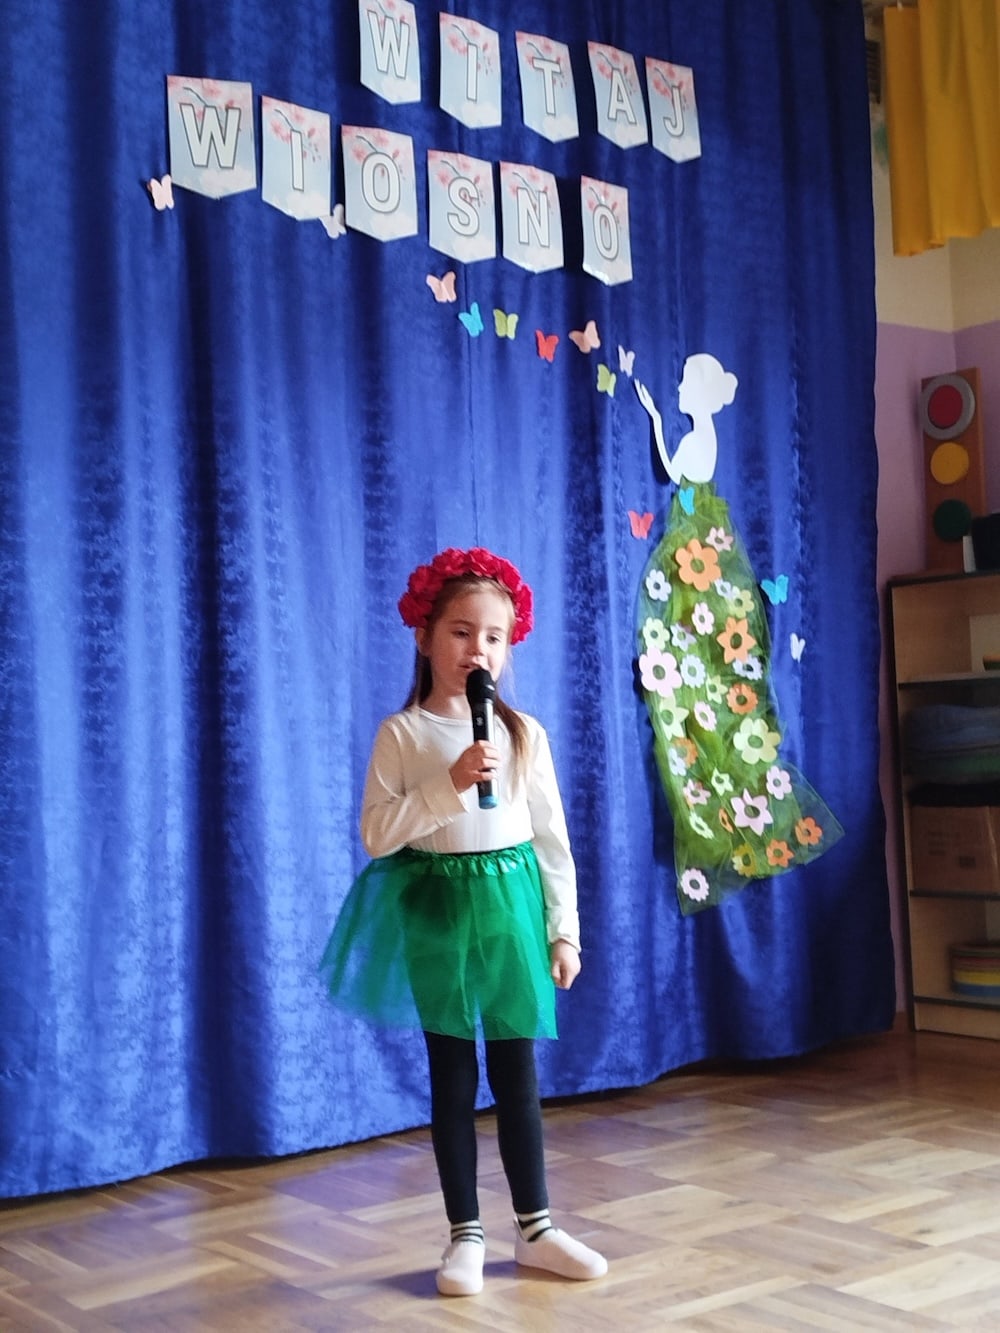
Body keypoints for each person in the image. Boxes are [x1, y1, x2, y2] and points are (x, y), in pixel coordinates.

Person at [319, 546, 607, 1298]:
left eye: (493, 637)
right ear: (424, 636)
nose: (478, 649)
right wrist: (447, 786)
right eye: (460, 631)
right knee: (452, 1072)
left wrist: (564, 929)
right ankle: (465, 1233)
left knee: (517, 1070)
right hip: (437, 907)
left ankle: (536, 1228)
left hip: (510, 908)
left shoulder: (523, 734)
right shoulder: (403, 734)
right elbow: (377, 834)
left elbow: (551, 838)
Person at [633, 354, 843, 913]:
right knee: (703, 666)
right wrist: (655, 416)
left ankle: (733, 813)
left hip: (698, 551)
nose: (679, 392)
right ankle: (726, 808)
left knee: (708, 660)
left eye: (684, 385)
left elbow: (675, 470)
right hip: (703, 550)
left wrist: (657, 419)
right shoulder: (702, 435)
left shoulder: (699, 437)